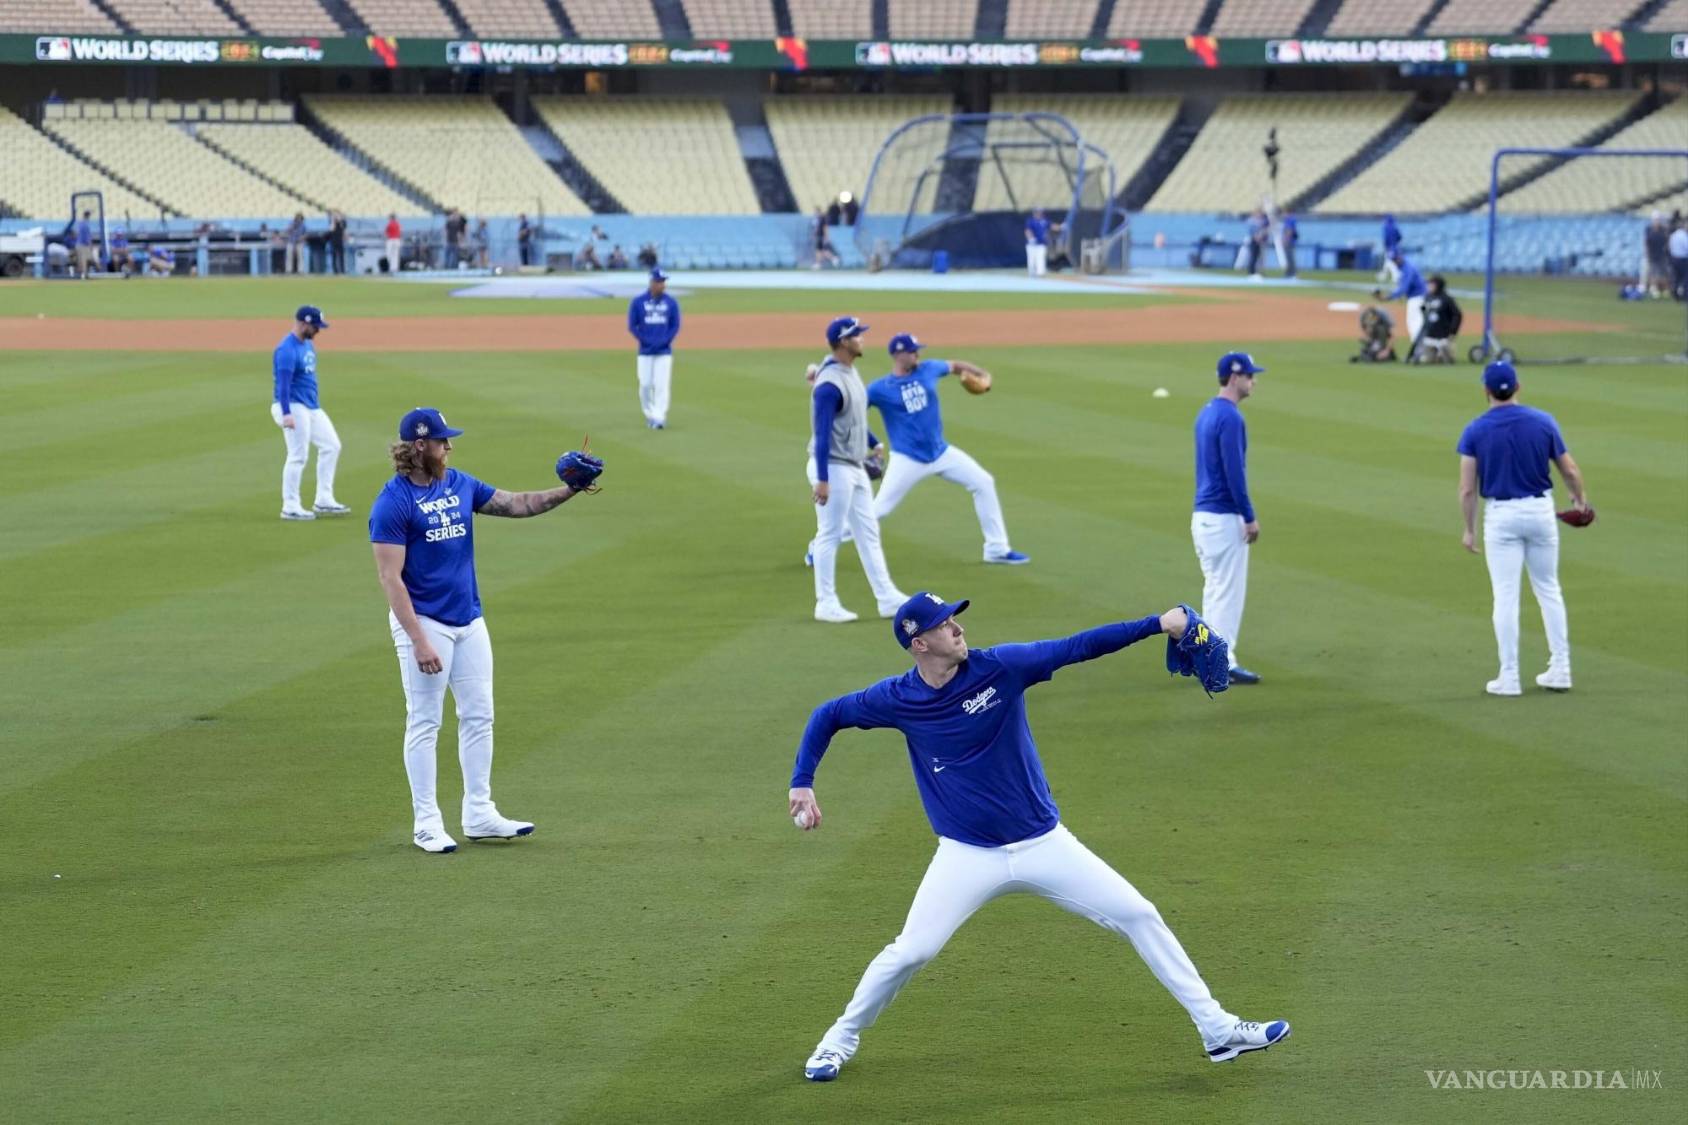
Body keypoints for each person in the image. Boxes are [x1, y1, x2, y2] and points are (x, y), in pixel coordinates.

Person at [789, 592, 1291, 1083]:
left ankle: (1218, 1029)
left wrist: (1158, 624)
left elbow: (1078, 646)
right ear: (919, 644)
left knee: (1139, 915)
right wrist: (802, 781)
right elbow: (828, 714)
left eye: (955, 620)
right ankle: (839, 1038)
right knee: (912, 952)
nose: (959, 629)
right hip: (966, 856)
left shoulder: (1001, 667)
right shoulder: (897, 699)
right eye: (945, 624)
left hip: (1044, 844)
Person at [369, 408, 601, 853]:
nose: (449, 446)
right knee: (425, 722)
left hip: (469, 620)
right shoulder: (392, 503)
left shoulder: (459, 484)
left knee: (479, 715)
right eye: (442, 441)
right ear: (419, 447)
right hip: (426, 623)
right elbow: (389, 578)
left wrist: (570, 489)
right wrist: (417, 640)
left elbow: (516, 504)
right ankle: (426, 823)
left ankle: (478, 812)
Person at [1458, 362, 1586, 696]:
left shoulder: (1474, 430)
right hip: (1540, 510)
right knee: (1548, 589)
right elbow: (1569, 469)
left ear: (1486, 390)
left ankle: (1510, 676)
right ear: (1518, 386)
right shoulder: (1543, 421)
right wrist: (1579, 498)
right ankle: (1561, 669)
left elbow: (1467, 490)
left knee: (1506, 595)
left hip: (1501, 516)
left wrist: (1468, 529)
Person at [865, 334, 1028, 565]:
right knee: (877, 511)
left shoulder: (929, 368)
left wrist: (981, 373)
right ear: (897, 355)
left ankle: (997, 549)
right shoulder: (880, 388)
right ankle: (820, 546)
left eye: (917, 350)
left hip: (941, 453)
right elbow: (852, 412)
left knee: (983, 482)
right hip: (908, 459)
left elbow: (954, 365)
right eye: (913, 351)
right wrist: (872, 444)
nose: (917, 354)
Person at [807, 317, 906, 623]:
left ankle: (887, 597)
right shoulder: (828, 387)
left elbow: (854, 418)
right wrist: (822, 480)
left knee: (869, 532)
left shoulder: (848, 371)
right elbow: (822, 434)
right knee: (830, 534)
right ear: (842, 342)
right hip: (833, 467)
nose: (862, 339)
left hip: (853, 466)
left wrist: (873, 442)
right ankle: (826, 602)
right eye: (856, 336)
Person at [1191, 352, 1264, 686]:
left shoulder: (1207, 412)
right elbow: (1236, 473)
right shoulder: (1231, 418)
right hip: (1222, 518)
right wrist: (1249, 517)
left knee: (1214, 591)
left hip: (1203, 517)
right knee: (1225, 595)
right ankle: (1221, 662)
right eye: (1250, 375)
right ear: (1235, 378)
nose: (1254, 381)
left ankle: (1207, 657)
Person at [271, 305, 349, 521]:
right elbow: (283, 386)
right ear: (304, 323)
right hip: (293, 406)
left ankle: (324, 499)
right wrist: (287, 413)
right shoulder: (286, 350)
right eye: (315, 326)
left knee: (332, 446)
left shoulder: (307, 345)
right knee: (298, 455)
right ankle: (290, 505)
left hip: (311, 406)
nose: (318, 331)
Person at [627, 267, 681, 429]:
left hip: (664, 351)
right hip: (645, 351)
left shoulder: (671, 303)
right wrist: (645, 340)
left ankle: (659, 416)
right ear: (652, 282)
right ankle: (649, 413)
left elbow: (675, 325)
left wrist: (665, 340)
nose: (662, 285)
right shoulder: (638, 302)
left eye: (664, 282)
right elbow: (632, 326)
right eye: (659, 282)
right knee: (645, 384)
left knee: (662, 384)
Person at [1374, 250, 1427, 346]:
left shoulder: (1407, 268)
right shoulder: (1404, 267)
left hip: (1417, 298)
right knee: (1418, 322)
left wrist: (1388, 297)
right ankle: (1421, 347)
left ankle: (1418, 348)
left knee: (1414, 322)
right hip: (1419, 297)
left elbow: (1403, 288)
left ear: (1400, 256)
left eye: (1395, 258)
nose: (1394, 261)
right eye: (1393, 260)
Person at [1412, 275, 1463, 364]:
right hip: (1430, 336)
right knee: (1427, 360)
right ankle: (1436, 355)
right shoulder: (1427, 297)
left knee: (1448, 360)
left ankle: (1443, 353)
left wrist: (1453, 331)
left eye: (1432, 285)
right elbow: (1423, 309)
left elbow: (1457, 315)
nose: (1429, 286)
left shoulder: (1447, 299)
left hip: (1444, 335)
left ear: (1438, 285)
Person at [1024, 208, 1050, 277]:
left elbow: (1052, 226)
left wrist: (1061, 226)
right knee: (1031, 259)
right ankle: (1032, 273)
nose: (1039, 214)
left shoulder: (1044, 221)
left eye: (1040, 212)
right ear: (1034, 213)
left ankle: (1040, 273)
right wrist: (1031, 239)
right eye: (1037, 212)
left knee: (1041, 258)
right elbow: (1027, 230)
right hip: (1032, 245)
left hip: (1041, 244)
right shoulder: (1031, 221)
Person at [1379, 213, 1402, 284]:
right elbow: (1400, 237)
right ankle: (1383, 275)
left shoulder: (1386, 227)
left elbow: (1385, 238)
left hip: (1389, 247)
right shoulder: (1395, 227)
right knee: (1388, 261)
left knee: (1390, 261)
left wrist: (1386, 246)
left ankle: (1396, 275)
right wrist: (1395, 243)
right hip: (1395, 247)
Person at [1669, 215, 1688, 301]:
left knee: (1676, 278)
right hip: (1683, 259)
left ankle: (1675, 295)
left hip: (1674, 258)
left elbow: (1670, 247)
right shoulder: (1683, 235)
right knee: (1685, 278)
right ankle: (1685, 294)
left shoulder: (1673, 235)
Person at [73, 209, 93, 279]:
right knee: (84, 260)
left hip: (79, 244)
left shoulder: (80, 223)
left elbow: (75, 234)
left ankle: (83, 274)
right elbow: (87, 237)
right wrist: (90, 245)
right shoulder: (85, 224)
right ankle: (84, 274)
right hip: (83, 245)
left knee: (84, 260)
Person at [326, 209, 347, 275]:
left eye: (337, 214)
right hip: (333, 240)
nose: (336, 216)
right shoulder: (332, 222)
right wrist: (333, 221)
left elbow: (343, 228)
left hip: (340, 240)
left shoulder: (342, 221)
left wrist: (340, 220)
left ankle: (342, 270)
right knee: (334, 255)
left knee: (341, 256)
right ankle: (335, 270)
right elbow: (332, 229)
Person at [1279, 213, 1298, 279]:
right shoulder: (1290, 220)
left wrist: (1285, 240)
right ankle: (1290, 273)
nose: (1283, 215)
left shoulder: (1289, 220)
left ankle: (1291, 273)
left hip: (1289, 242)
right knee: (1289, 258)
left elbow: (1289, 231)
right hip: (1290, 242)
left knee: (1290, 258)